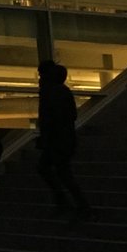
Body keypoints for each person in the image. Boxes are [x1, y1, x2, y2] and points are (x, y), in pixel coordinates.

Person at [36, 59, 91, 223]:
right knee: (61, 172)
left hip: (57, 141)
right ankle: (75, 204)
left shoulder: (51, 92)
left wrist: (47, 137)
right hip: (63, 140)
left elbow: (51, 119)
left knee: (56, 171)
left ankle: (73, 204)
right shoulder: (61, 91)